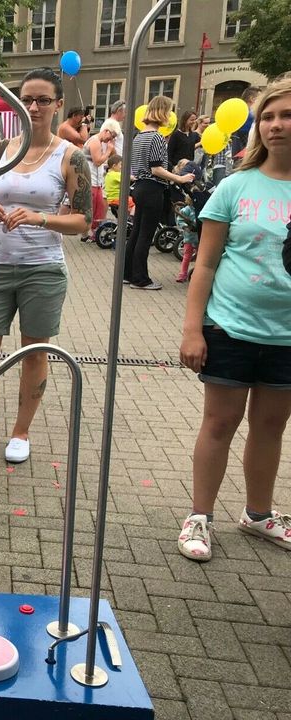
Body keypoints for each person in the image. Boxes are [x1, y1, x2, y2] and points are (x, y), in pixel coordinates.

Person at [0, 67, 92, 464]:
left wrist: (40, 217)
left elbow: (84, 222)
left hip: (42, 267)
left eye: (43, 99)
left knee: (34, 352)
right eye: (27, 99)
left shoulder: (71, 156)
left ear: (58, 104)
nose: (34, 106)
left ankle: (21, 431)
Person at [177, 78, 291, 562]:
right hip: (229, 327)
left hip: (286, 337)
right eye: (268, 116)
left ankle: (259, 514)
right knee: (220, 422)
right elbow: (204, 263)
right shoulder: (234, 186)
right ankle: (199, 516)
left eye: (286, 115)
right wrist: (191, 327)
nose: (277, 124)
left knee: (270, 426)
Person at [124, 95, 195, 290]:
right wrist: (180, 178)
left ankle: (128, 273)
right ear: (163, 112)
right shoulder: (155, 137)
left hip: (140, 187)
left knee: (138, 231)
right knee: (145, 234)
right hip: (151, 187)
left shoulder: (139, 135)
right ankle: (140, 278)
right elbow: (155, 168)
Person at [83, 118, 121, 237]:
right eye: (112, 135)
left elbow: (112, 158)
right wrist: (108, 151)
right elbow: (97, 161)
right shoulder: (94, 141)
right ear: (106, 131)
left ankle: (94, 232)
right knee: (92, 208)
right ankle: (87, 233)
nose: (112, 139)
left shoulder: (100, 142)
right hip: (91, 179)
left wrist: (111, 150)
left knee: (99, 206)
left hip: (96, 180)